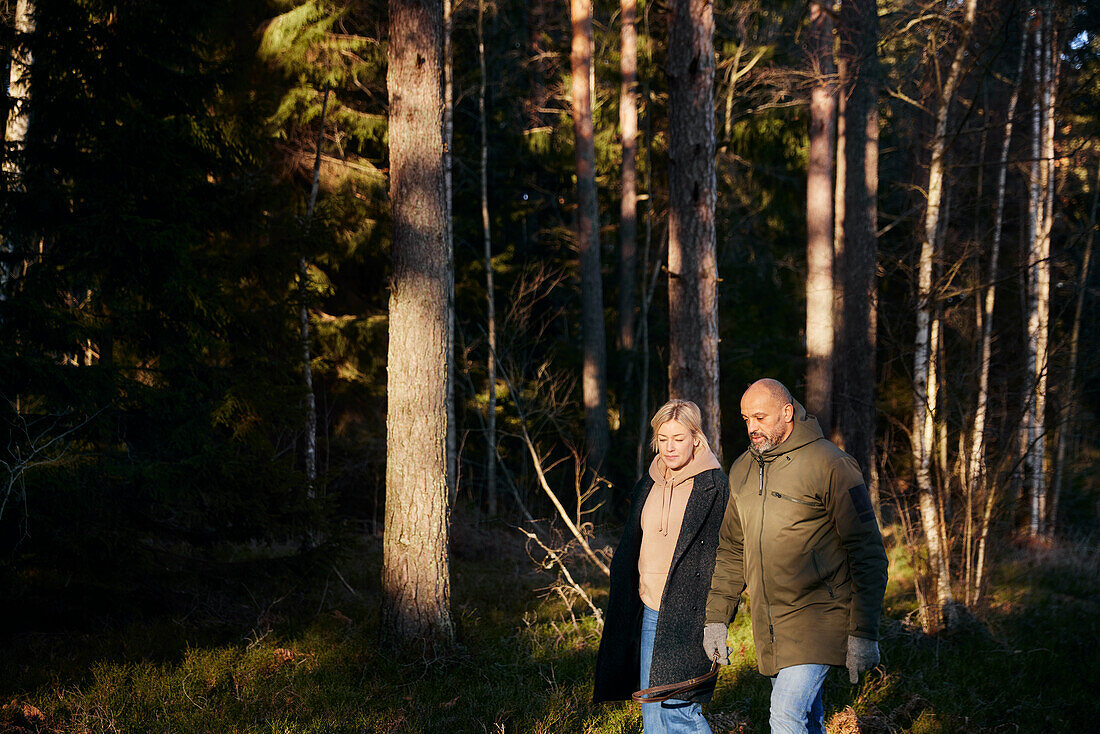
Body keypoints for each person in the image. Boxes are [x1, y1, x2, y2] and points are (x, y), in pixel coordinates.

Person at [703, 379, 888, 734]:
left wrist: (864, 632)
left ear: (787, 412)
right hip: (769, 622)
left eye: (760, 416)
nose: (752, 427)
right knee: (808, 719)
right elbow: (731, 550)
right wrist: (716, 619)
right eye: (745, 419)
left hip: (820, 616)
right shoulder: (741, 469)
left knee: (785, 715)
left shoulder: (831, 465)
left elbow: (868, 554)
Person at [593, 399, 730, 733]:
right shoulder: (648, 482)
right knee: (653, 715)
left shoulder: (715, 486)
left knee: (679, 711)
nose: (670, 448)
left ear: (696, 437)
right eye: (663, 439)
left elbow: (725, 558)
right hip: (647, 612)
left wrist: (717, 622)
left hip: (689, 614)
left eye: (679, 438)